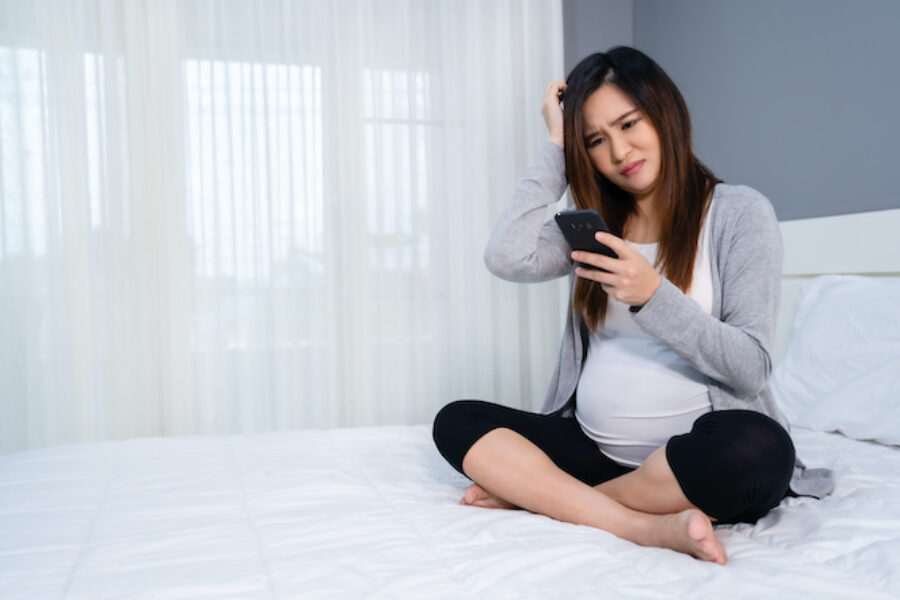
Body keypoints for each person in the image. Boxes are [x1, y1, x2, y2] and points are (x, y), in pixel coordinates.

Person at [431, 46, 834, 565]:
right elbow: (505, 256)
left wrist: (653, 296)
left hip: (690, 458)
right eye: (596, 140)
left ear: (664, 111)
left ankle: (544, 496)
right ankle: (640, 525)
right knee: (456, 421)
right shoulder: (593, 227)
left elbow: (750, 368)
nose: (620, 151)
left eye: (629, 124)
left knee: (759, 450)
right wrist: (556, 146)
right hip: (592, 453)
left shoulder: (739, 214)